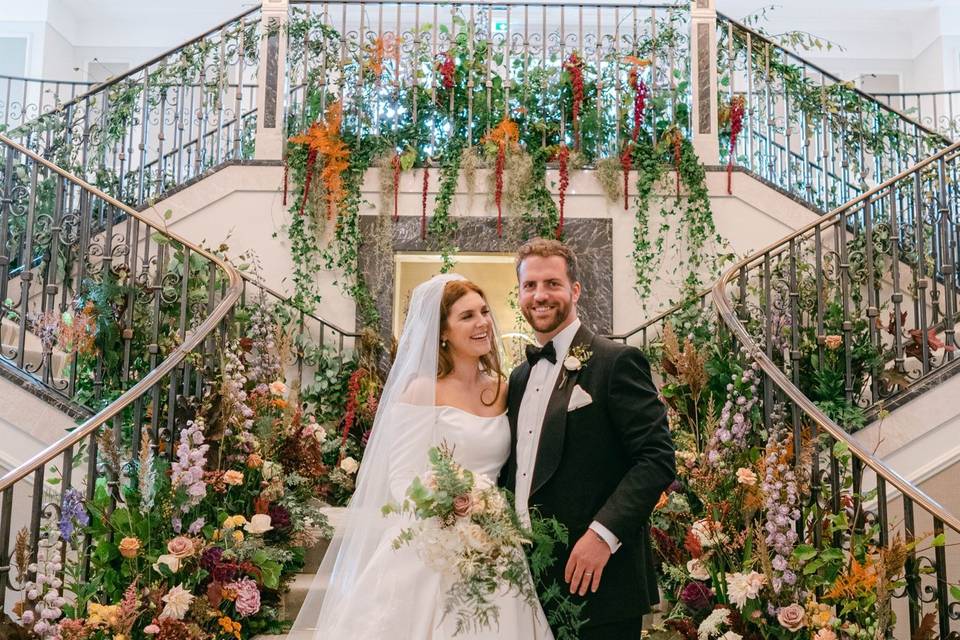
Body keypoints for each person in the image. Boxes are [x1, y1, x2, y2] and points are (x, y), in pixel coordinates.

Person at [290, 273, 553, 639]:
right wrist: (444, 509)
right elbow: (399, 478)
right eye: (467, 316)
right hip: (432, 544)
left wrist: (483, 515)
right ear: (442, 332)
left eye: (483, 312)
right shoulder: (421, 390)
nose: (482, 323)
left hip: (494, 543)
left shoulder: (503, 389)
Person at [502, 238, 676, 640]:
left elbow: (656, 458)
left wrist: (603, 535)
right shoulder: (519, 378)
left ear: (575, 290)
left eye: (552, 284)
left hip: (598, 583)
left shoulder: (616, 362)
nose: (540, 295)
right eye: (530, 286)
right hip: (526, 581)